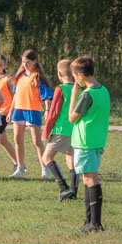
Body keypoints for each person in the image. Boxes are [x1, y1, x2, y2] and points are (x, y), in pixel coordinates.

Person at [68, 56, 109, 232]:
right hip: (97, 140)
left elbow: (72, 118)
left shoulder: (87, 95)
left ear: (80, 75)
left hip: (85, 142)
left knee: (91, 179)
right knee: (87, 179)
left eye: (74, 76)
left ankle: (95, 223)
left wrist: (73, 95)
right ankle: (89, 221)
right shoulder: (103, 90)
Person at [8, 49, 52, 178]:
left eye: (27, 62)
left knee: (37, 141)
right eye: (23, 62)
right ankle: (20, 168)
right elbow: (15, 94)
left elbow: (47, 97)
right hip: (18, 110)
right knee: (17, 138)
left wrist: (47, 111)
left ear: (34, 62)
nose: (25, 65)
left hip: (33, 111)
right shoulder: (19, 75)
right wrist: (11, 111)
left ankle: (45, 168)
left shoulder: (37, 77)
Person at [44, 58, 79, 200]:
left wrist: (46, 130)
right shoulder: (79, 88)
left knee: (46, 157)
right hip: (75, 129)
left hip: (61, 130)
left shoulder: (60, 89)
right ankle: (73, 192)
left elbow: (53, 113)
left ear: (59, 73)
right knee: (71, 159)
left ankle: (63, 187)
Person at [0, 54, 19, 169]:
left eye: (0, 65)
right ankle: (18, 162)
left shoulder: (8, 79)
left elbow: (14, 95)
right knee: (3, 140)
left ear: (4, 66)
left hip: (4, 112)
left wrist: (12, 110)